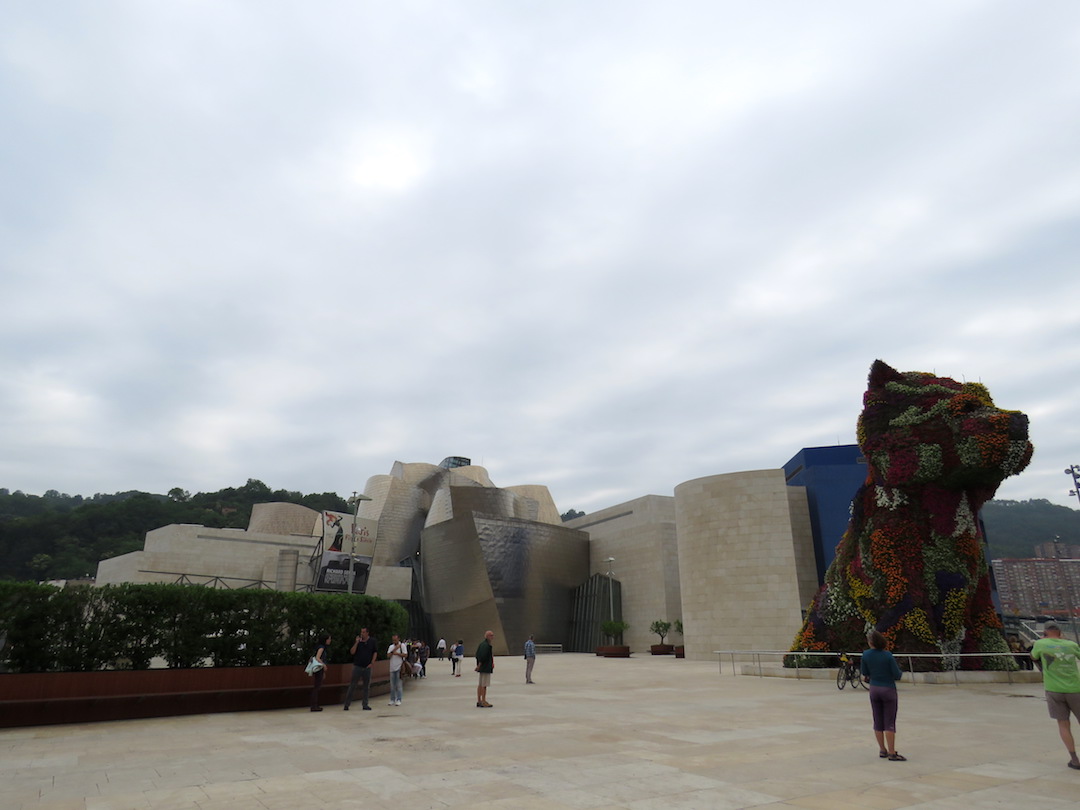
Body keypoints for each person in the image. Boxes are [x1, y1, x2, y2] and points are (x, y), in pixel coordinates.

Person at [1031, 624, 1080, 770]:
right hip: (1075, 689)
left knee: (1063, 724)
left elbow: (1033, 657)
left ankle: (1074, 759)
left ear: (1045, 632)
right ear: (1060, 632)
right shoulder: (1071, 644)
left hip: (1053, 689)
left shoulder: (1040, 644)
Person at [860, 629, 905, 761]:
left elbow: (864, 672)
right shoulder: (887, 655)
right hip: (888, 688)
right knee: (889, 721)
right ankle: (892, 752)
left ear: (871, 642)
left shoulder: (866, 655)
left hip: (874, 689)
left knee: (877, 719)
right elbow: (897, 674)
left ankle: (882, 749)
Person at [343, 627, 377, 711]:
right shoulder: (358, 642)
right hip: (357, 666)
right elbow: (352, 652)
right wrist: (356, 642)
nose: (362, 634)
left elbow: (375, 652)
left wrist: (372, 662)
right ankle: (347, 704)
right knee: (353, 685)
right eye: (361, 632)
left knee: (366, 686)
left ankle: (365, 704)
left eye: (364, 632)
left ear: (367, 633)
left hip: (367, 666)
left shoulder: (372, 641)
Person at [309, 633, 331, 712]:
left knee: (317, 686)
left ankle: (314, 704)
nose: (330, 641)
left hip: (318, 669)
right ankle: (314, 705)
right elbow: (318, 657)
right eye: (329, 639)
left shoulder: (319, 647)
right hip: (319, 668)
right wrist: (323, 665)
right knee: (317, 687)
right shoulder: (321, 648)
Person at [475, 629, 495, 708]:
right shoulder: (487, 646)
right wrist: (479, 665)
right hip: (485, 667)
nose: (493, 637)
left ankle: (479, 700)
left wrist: (478, 665)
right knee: (484, 685)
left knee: (480, 684)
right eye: (491, 635)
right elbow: (483, 656)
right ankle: (483, 701)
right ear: (487, 636)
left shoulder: (482, 644)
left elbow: (477, 654)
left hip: (482, 667)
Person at [387, 634, 408, 706]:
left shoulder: (402, 646)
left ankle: (399, 699)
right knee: (392, 685)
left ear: (398, 639)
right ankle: (392, 699)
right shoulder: (391, 647)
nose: (394, 641)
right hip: (392, 668)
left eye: (395, 640)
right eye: (393, 640)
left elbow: (405, 655)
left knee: (399, 685)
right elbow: (388, 655)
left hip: (399, 667)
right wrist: (395, 649)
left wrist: (397, 654)